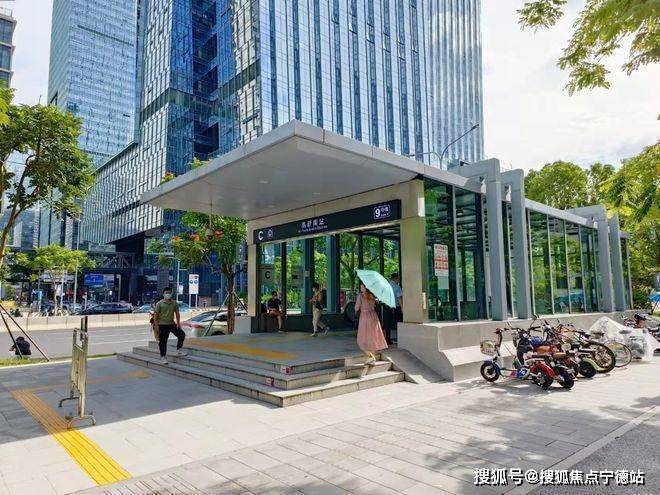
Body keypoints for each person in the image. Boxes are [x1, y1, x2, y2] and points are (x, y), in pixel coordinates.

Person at [355, 282, 388, 364]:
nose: (361, 288)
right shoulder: (372, 295)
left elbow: (356, 307)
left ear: (365, 288)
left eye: (362, 287)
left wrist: (357, 309)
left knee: (362, 339)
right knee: (372, 338)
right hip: (373, 317)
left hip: (365, 317)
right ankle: (372, 359)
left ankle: (371, 357)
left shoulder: (360, 296)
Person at [153, 287, 187, 364]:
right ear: (163, 294)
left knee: (181, 335)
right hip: (162, 325)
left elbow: (177, 313)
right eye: (166, 293)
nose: (168, 294)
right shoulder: (159, 304)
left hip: (172, 324)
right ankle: (163, 357)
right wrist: (156, 325)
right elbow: (155, 315)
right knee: (163, 341)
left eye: (169, 293)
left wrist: (178, 323)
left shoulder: (174, 303)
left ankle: (179, 350)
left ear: (171, 294)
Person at [387, 273, 403, 344]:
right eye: (398, 278)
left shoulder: (386, 286)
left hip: (387, 307)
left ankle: (387, 339)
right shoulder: (397, 287)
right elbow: (399, 298)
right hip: (396, 307)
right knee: (398, 322)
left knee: (388, 323)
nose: (398, 280)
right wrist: (402, 307)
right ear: (395, 278)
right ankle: (400, 338)